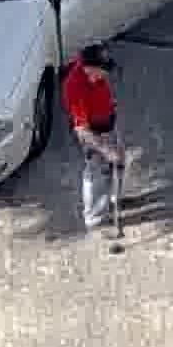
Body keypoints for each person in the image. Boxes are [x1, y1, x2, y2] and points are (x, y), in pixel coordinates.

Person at [62, 43, 124, 230]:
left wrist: (110, 104)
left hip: (108, 123)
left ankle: (114, 199)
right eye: (102, 70)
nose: (106, 75)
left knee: (118, 162)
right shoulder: (75, 88)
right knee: (96, 173)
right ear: (89, 67)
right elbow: (82, 131)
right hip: (94, 134)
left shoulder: (92, 72)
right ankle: (95, 217)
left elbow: (100, 86)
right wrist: (106, 150)